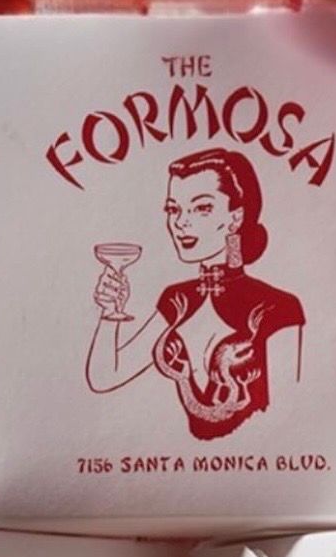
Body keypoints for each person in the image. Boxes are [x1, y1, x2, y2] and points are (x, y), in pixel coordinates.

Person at [87, 149, 304, 440]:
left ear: (235, 217)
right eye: (173, 209)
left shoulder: (279, 306)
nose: (180, 223)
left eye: (201, 208)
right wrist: (109, 311)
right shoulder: (178, 299)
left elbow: (295, 415)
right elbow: (106, 377)